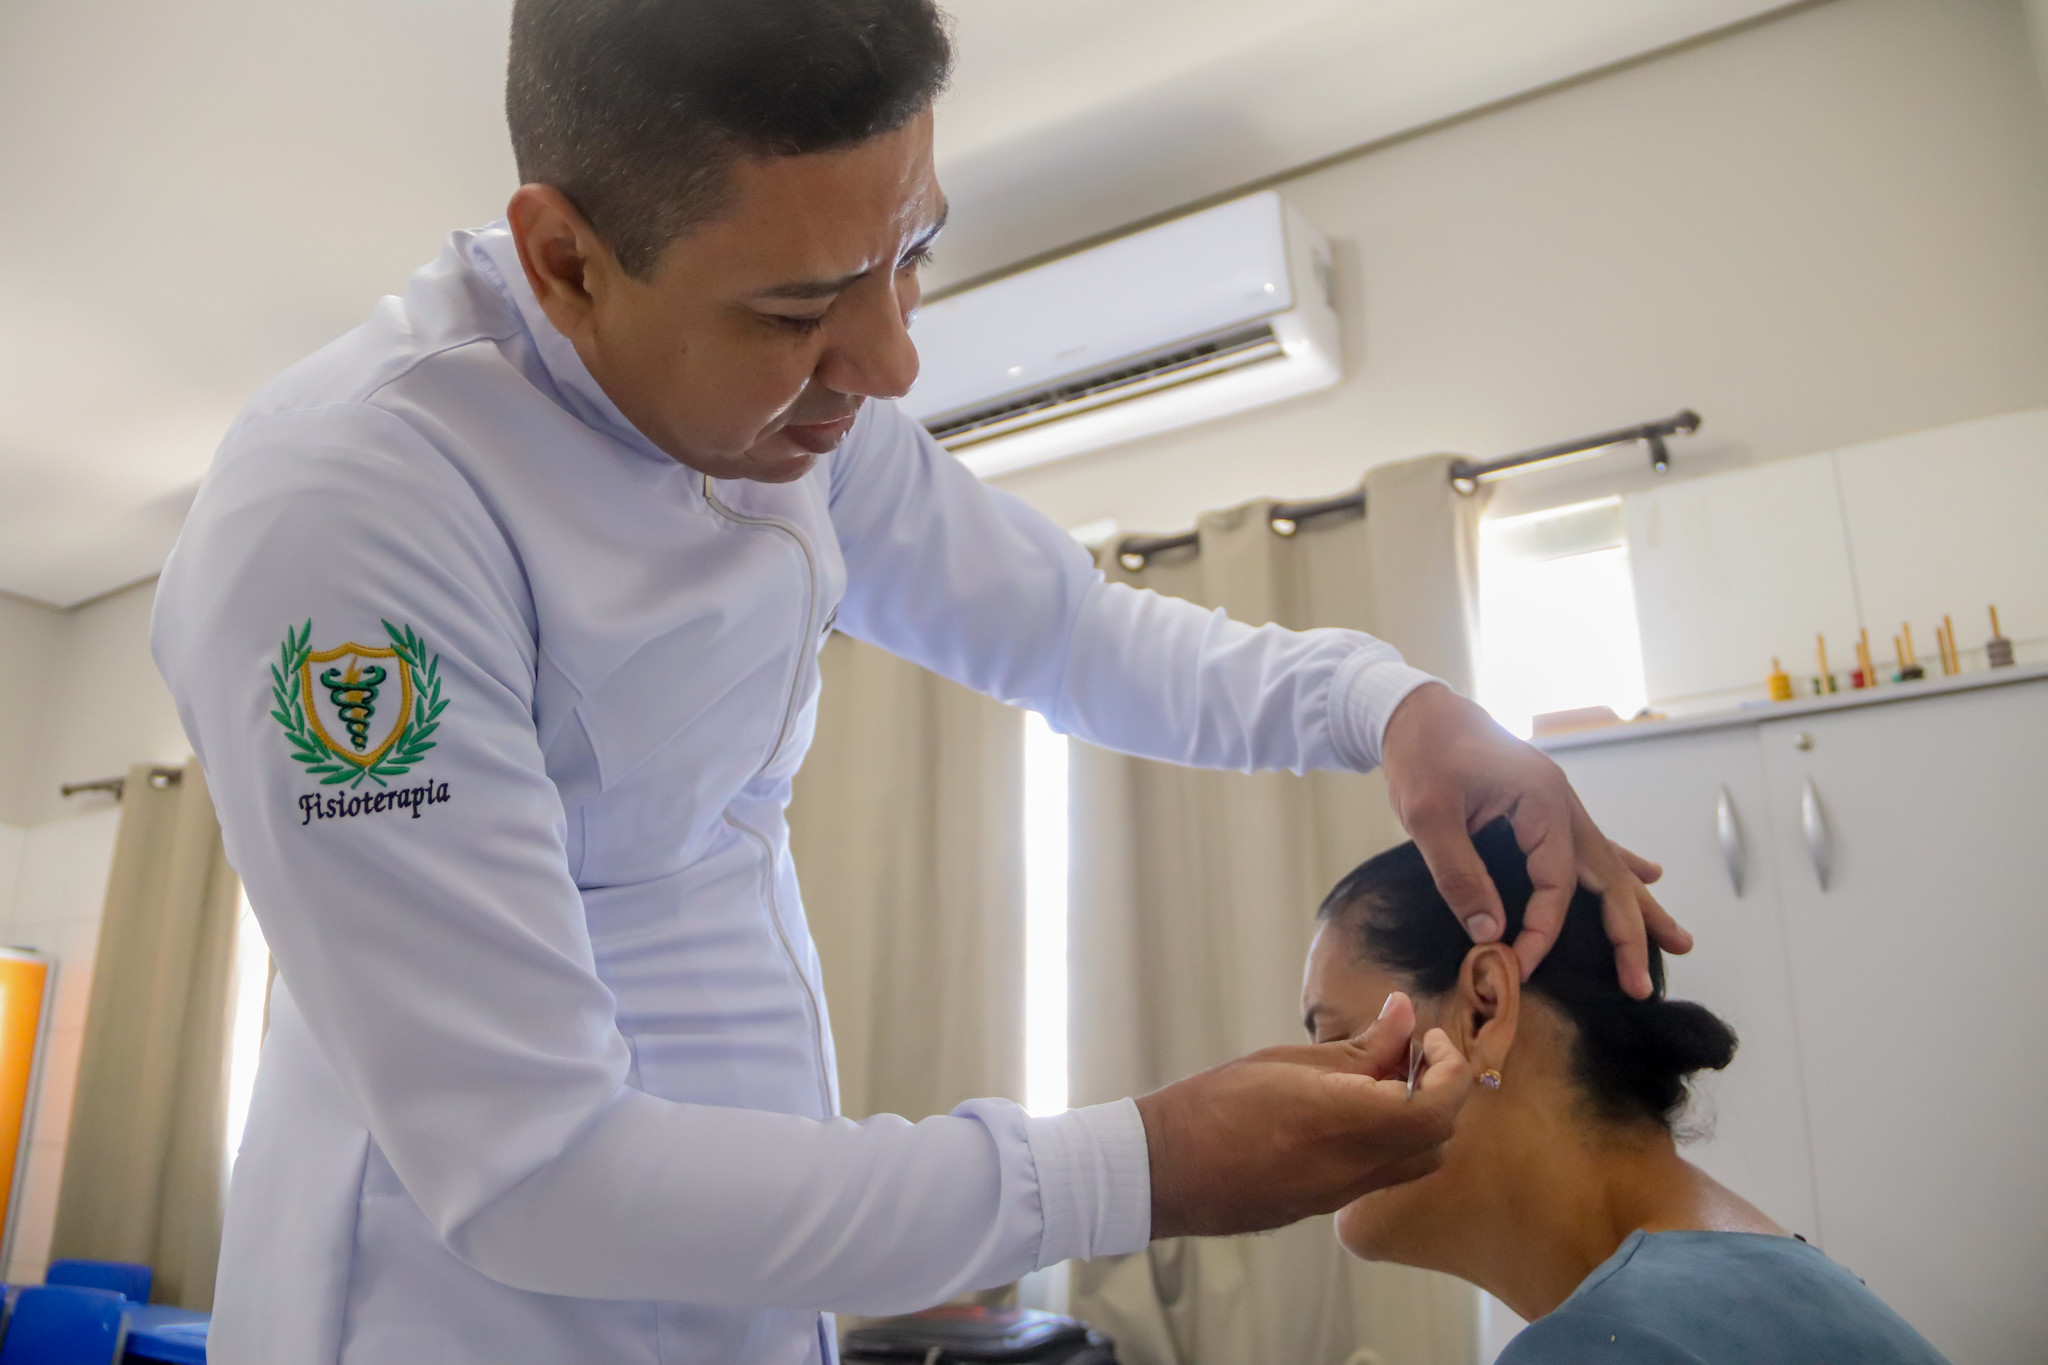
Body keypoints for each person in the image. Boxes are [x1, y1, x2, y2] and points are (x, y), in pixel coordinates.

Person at [152, 2, 1682, 1361]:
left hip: (752, 1273)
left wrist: (1389, 702)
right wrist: (1138, 1165)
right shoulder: (351, 516)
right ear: (564, 261)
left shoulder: (792, 418)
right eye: (798, 309)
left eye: (913, 255)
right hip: (459, 1312)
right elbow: (532, 1168)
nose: (890, 365)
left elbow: (1072, 636)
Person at [1301, 819, 1950, 1365]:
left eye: (1339, 1039)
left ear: (1482, 1009)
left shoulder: (1605, 1346)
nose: (1309, 1089)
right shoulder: (1789, 1288)